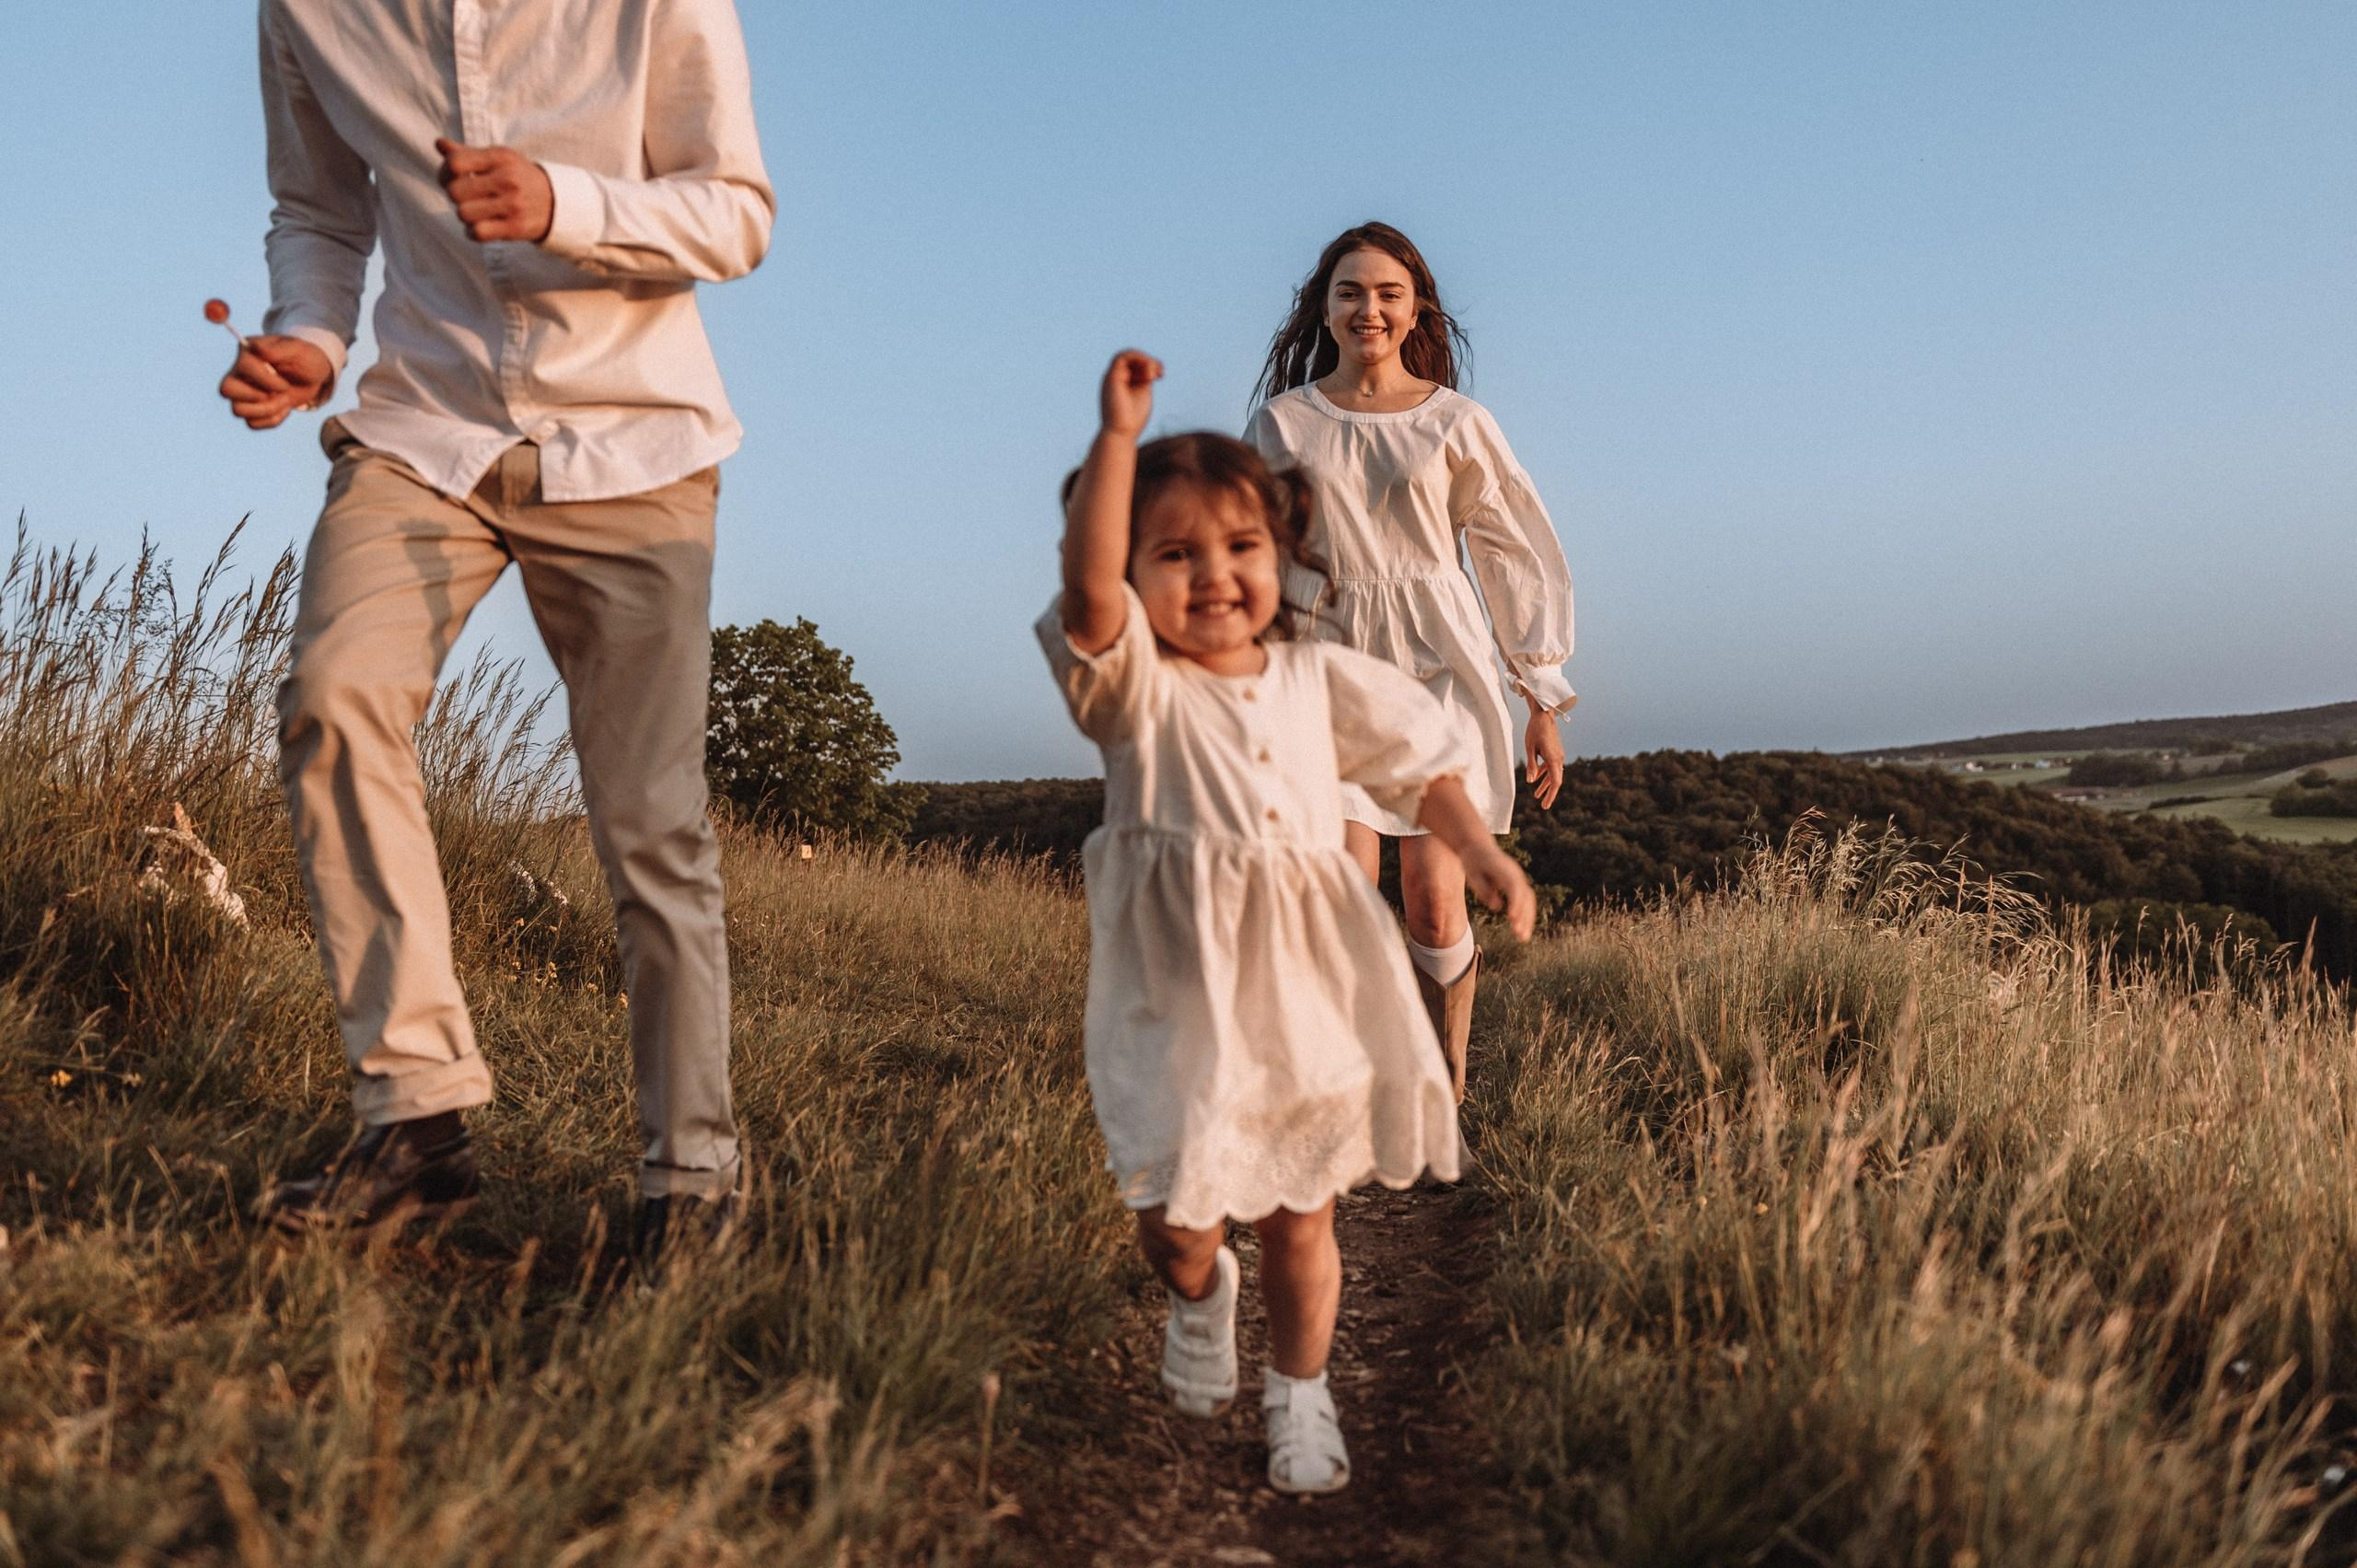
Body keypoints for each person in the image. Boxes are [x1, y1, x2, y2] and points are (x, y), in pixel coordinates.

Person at [216, 0, 773, 1260]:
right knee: (334, 699)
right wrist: (309, 337)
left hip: (634, 437)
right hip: (427, 427)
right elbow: (318, 209)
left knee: (649, 818)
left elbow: (736, 209)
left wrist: (566, 203)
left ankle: (690, 1182)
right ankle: (415, 1122)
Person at [1041, 350, 1537, 1493]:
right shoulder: (1131, 690)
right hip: (1176, 993)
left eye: (1240, 548)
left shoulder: (1320, 680)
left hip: (1305, 991)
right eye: (1174, 554)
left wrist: (1482, 854)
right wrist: (1118, 440)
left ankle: (1300, 1396)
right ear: (1130, 574)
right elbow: (1084, 600)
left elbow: (1427, 771)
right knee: (1175, 1217)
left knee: (1300, 1217)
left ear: (1283, 554)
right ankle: (1198, 1295)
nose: (1213, 576)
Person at [1245, 222, 1575, 1102]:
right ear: (1324, 307)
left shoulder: (1457, 423)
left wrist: (1540, 692)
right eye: (1350, 292)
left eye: (1388, 293)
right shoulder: (1283, 425)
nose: (1369, 309)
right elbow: (1249, 558)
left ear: (1414, 307)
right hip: (1330, 670)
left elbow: (1513, 553)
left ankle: (1445, 1086)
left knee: (1434, 902)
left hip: (1439, 673)